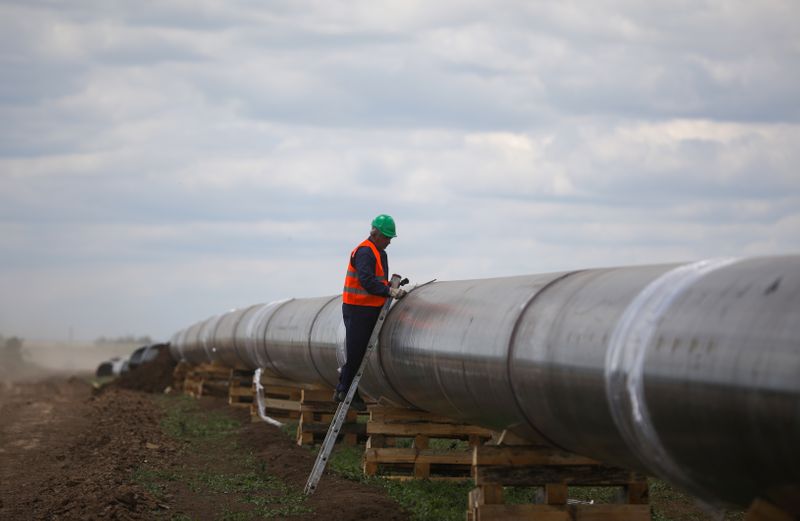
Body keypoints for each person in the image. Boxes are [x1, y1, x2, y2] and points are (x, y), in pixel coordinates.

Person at [335, 214, 407, 411]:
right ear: (375, 234)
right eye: (386, 237)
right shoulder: (365, 252)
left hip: (369, 308)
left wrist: (388, 286)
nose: (389, 242)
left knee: (359, 351)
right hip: (358, 308)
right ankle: (344, 389)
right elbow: (367, 281)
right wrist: (388, 291)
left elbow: (377, 279)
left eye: (390, 238)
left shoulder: (379, 252)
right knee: (356, 351)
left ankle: (344, 388)